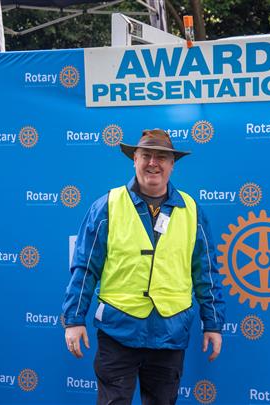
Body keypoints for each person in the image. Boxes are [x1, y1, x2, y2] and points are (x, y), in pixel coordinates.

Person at [61, 129, 225, 405]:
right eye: (146, 155)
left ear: (172, 164)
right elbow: (85, 267)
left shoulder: (192, 211)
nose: (153, 163)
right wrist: (74, 319)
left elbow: (206, 273)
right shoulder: (107, 206)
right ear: (134, 159)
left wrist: (214, 323)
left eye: (162, 157)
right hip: (118, 331)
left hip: (170, 333)